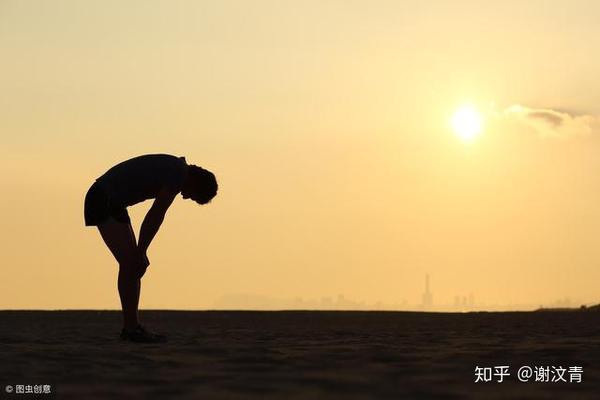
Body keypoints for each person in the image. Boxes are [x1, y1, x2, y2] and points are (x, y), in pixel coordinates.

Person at [84, 154, 218, 343]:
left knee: (133, 265)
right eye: (192, 195)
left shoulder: (177, 169)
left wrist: (141, 251)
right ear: (196, 181)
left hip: (113, 203)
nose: (186, 197)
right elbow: (155, 215)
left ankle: (132, 327)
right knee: (131, 263)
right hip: (101, 199)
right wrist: (141, 250)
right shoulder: (177, 173)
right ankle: (130, 329)